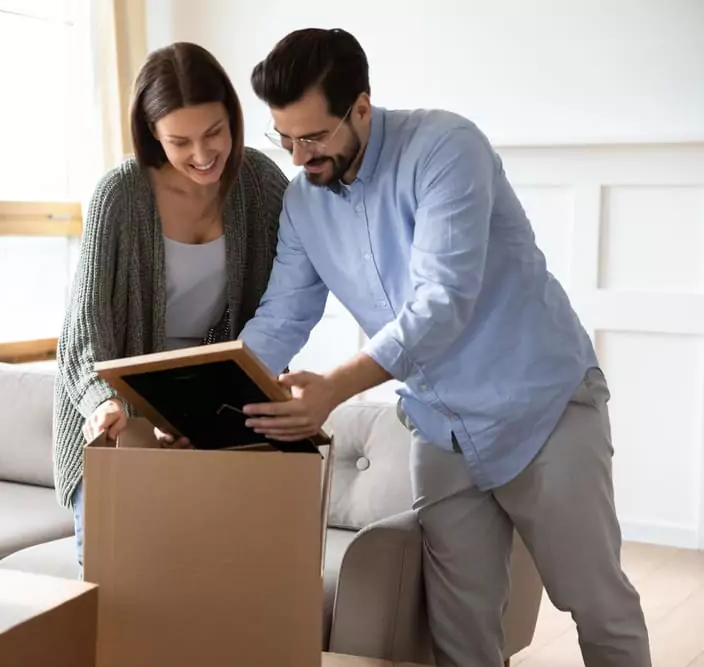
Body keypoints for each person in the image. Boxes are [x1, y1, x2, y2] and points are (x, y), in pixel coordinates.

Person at [238, 28, 651, 667]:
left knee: (596, 602)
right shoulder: (303, 203)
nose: (297, 157)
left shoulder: (445, 148)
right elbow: (283, 315)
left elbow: (442, 300)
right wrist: (211, 385)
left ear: (362, 108)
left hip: (541, 407)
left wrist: (334, 389)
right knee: (459, 636)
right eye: (284, 138)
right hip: (442, 428)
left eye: (314, 137)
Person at [52, 42, 289, 573]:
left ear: (233, 118)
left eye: (215, 133)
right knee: (126, 580)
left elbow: (288, 296)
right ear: (152, 135)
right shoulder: (120, 195)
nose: (203, 155)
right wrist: (102, 405)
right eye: (180, 141)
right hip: (121, 404)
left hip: (218, 401)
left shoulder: (262, 185)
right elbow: (82, 333)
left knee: (230, 578)